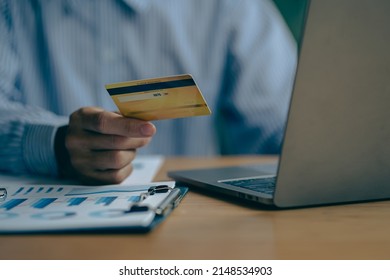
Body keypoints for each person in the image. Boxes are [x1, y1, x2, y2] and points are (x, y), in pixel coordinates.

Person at [0, 0, 297, 184]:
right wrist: (55, 144)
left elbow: (280, 128)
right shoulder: (12, 7)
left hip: (192, 224)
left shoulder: (232, 6)